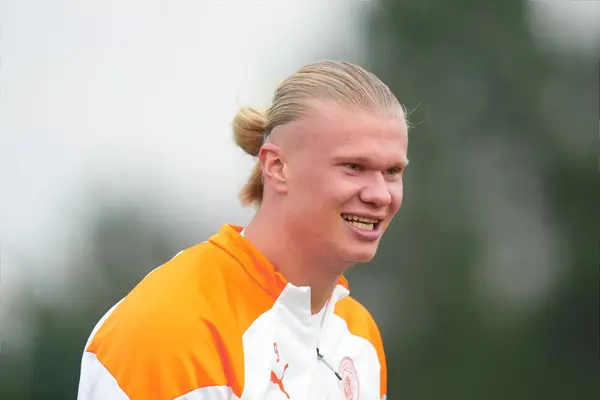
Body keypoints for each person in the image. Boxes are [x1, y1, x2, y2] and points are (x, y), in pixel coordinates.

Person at [76, 60, 409, 400]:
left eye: (392, 172)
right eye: (354, 166)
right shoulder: (169, 330)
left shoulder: (359, 337)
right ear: (276, 166)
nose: (381, 195)